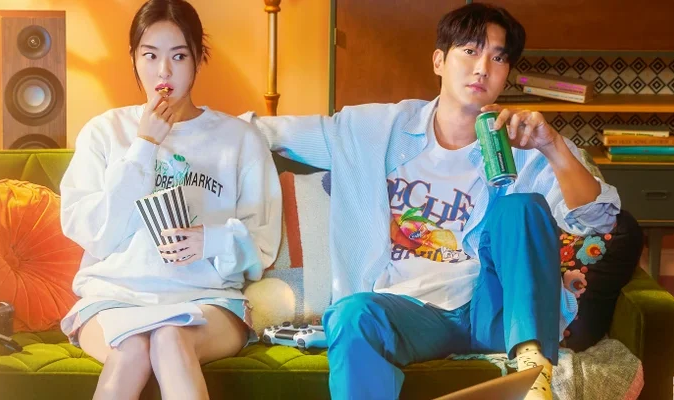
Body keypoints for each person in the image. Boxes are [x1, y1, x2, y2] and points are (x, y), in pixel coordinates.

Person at [243, 3, 620, 399]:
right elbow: (263, 132)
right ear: (439, 61)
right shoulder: (373, 130)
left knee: (519, 206)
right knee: (352, 314)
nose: (482, 68)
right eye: (470, 51)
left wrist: (553, 147)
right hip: (409, 313)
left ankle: (534, 373)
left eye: (498, 58)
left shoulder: (523, 142)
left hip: (494, 310)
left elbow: (598, 220)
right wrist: (199, 130)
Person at [59, 1, 282, 399]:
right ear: (134, 58)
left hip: (208, 300)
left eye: (178, 56)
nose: (164, 72)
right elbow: (93, 233)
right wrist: (144, 145)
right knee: (131, 349)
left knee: (169, 338)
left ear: (198, 58)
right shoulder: (104, 132)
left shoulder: (240, 139)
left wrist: (211, 240)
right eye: (150, 56)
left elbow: (262, 246)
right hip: (113, 297)